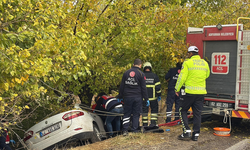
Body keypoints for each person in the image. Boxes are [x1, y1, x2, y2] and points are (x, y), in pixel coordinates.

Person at [175, 46, 210, 141]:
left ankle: (186, 132)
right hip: (201, 93)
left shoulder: (187, 63)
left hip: (189, 92)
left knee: (182, 110)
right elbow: (207, 75)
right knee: (197, 113)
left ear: (190, 54)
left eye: (188, 53)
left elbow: (182, 77)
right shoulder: (205, 63)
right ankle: (196, 134)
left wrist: (177, 89)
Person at [117, 58, 148, 136]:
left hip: (127, 97)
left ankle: (125, 130)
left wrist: (120, 95)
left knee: (126, 113)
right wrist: (146, 99)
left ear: (133, 64)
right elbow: (143, 88)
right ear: (140, 65)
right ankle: (134, 130)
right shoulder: (141, 74)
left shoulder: (126, 73)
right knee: (136, 114)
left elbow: (122, 86)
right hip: (137, 97)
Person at [142, 62, 161, 127]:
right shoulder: (154, 76)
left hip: (144, 98)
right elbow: (158, 87)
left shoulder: (142, 76)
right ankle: (153, 124)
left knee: (144, 111)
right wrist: (159, 95)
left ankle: (144, 125)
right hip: (153, 98)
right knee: (154, 110)